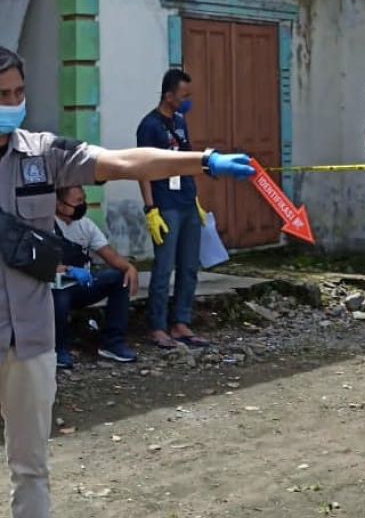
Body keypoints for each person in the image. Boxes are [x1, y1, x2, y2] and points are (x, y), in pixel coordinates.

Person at [0, 45, 252, 518]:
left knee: (30, 467)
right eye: (1, 95)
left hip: (31, 340)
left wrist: (202, 161)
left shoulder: (44, 154)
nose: (11, 103)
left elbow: (124, 162)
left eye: (18, 92)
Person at [136, 69, 211, 350]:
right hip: (165, 205)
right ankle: (157, 326)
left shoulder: (180, 122)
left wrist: (197, 200)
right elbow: (140, 168)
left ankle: (180, 322)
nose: (188, 101)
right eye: (184, 96)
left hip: (186, 202)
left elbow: (187, 161)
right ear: (168, 96)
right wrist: (150, 208)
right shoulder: (149, 126)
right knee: (163, 267)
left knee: (189, 266)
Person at [51, 185, 139, 369]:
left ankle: (113, 343)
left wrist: (128, 267)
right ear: (60, 205)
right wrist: (67, 270)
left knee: (118, 278)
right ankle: (59, 350)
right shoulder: (45, 226)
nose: (83, 205)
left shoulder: (86, 225)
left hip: (83, 285)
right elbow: (39, 264)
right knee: (59, 296)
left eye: (84, 200)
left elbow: (109, 254)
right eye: (78, 202)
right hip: (55, 289)